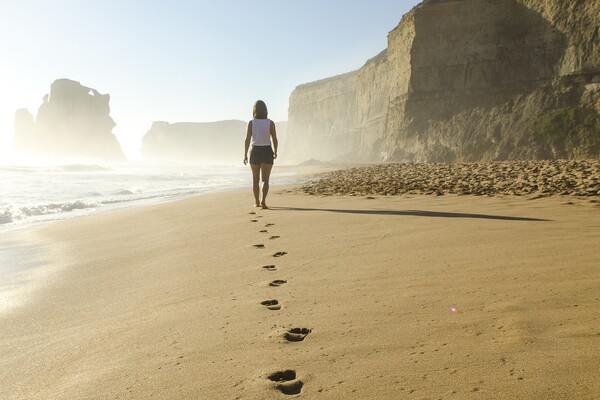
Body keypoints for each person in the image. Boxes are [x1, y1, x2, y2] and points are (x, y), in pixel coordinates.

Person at [244, 100, 278, 209]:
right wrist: (275, 151)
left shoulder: (251, 123)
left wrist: (245, 154)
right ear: (265, 110)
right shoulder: (270, 123)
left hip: (255, 151)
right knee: (265, 179)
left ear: (254, 110)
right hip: (267, 150)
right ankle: (263, 201)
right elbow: (274, 139)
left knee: (255, 179)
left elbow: (247, 139)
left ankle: (257, 202)